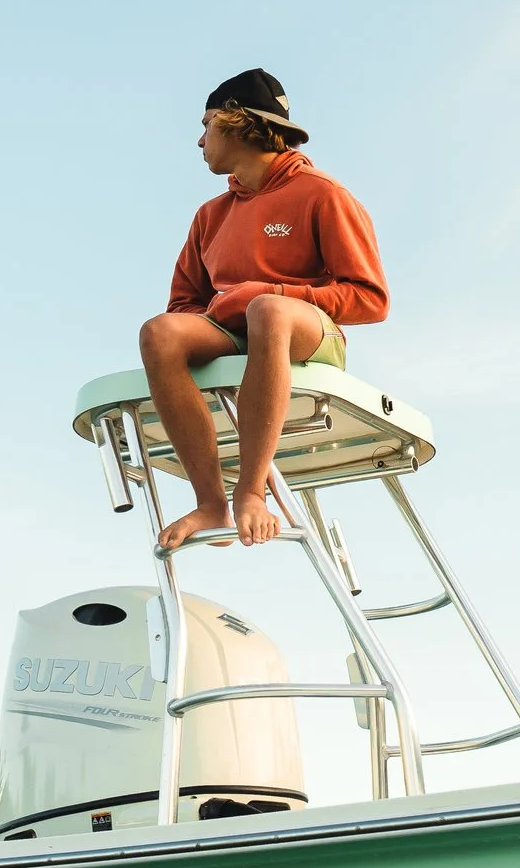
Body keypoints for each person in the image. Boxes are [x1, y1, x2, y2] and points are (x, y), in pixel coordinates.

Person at [141, 69, 388, 550]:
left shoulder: (322, 195)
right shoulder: (210, 215)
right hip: (237, 330)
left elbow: (370, 298)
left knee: (269, 311)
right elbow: (184, 304)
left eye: (207, 124)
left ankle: (251, 492)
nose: (199, 140)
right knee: (161, 333)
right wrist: (226, 309)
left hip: (309, 333)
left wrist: (268, 292)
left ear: (237, 123)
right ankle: (210, 502)